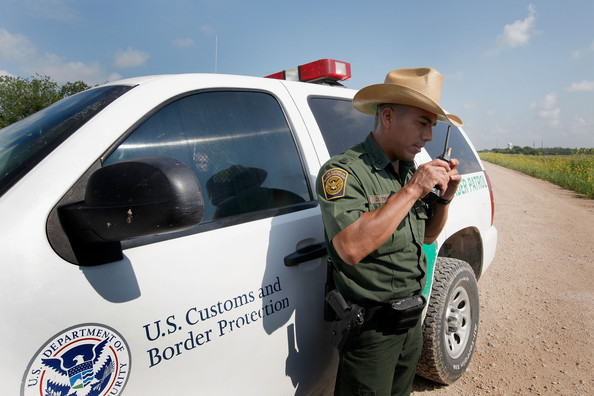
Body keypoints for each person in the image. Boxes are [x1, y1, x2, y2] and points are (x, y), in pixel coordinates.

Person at [316, 67, 462, 396]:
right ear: (388, 116)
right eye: (422, 123)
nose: (428, 137)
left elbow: (426, 236)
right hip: (372, 333)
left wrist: (444, 199)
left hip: (410, 323)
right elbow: (351, 248)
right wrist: (411, 191)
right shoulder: (345, 172)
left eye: (433, 127)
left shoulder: (409, 171)